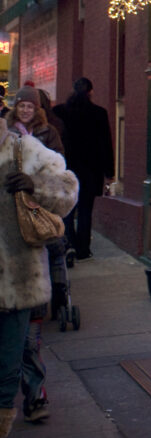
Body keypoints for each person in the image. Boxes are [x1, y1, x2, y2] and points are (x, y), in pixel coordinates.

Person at [0, 121, 80, 436]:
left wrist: (34, 184)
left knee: (7, 368)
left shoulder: (23, 148)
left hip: (18, 282)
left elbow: (68, 188)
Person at [11, 87, 66, 424]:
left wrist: (34, 186)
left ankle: (35, 396)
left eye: (31, 105)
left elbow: (64, 186)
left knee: (29, 341)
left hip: (30, 251)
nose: (25, 109)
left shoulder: (44, 138)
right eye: (21, 105)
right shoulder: (6, 139)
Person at [51, 78, 114, 261]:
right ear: (91, 92)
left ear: (72, 90)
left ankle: (68, 244)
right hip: (90, 171)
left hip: (66, 168)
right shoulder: (99, 113)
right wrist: (109, 172)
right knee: (86, 210)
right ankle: (83, 250)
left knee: (68, 211)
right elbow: (106, 144)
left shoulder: (60, 112)